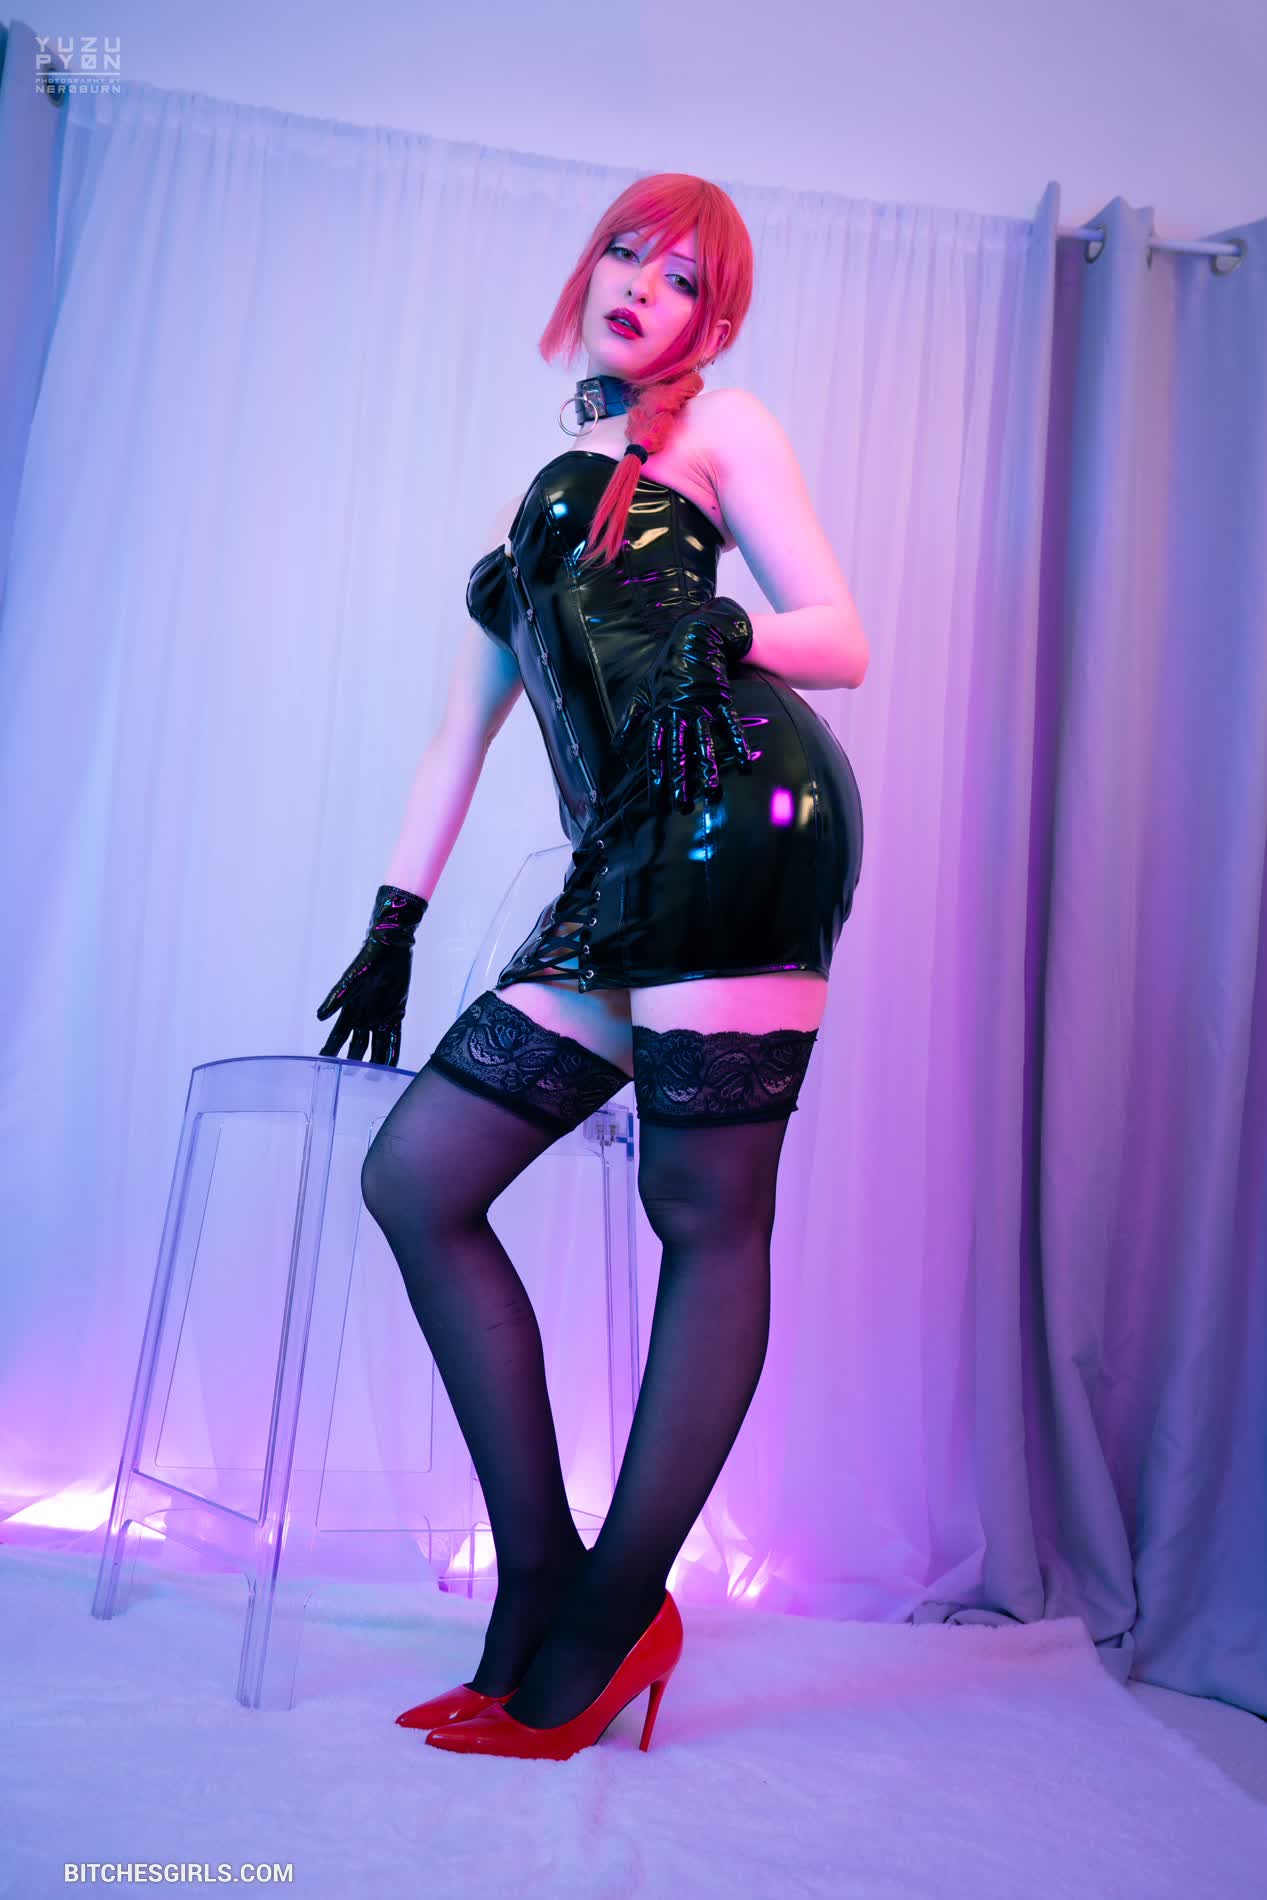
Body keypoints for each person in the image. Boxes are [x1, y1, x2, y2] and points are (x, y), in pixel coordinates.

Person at [315, 172, 866, 1760]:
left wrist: (733, 635)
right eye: (627, 251)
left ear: (714, 322)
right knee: (419, 1179)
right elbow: (460, 735)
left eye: (681, 275)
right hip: (619, 860)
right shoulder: (535, 510)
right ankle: (542, 1579)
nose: (640, 284)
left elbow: (842, 633)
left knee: (702, 1206)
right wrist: (395, 920)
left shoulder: (724, 431)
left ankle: (614, 1615)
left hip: (746, 809)